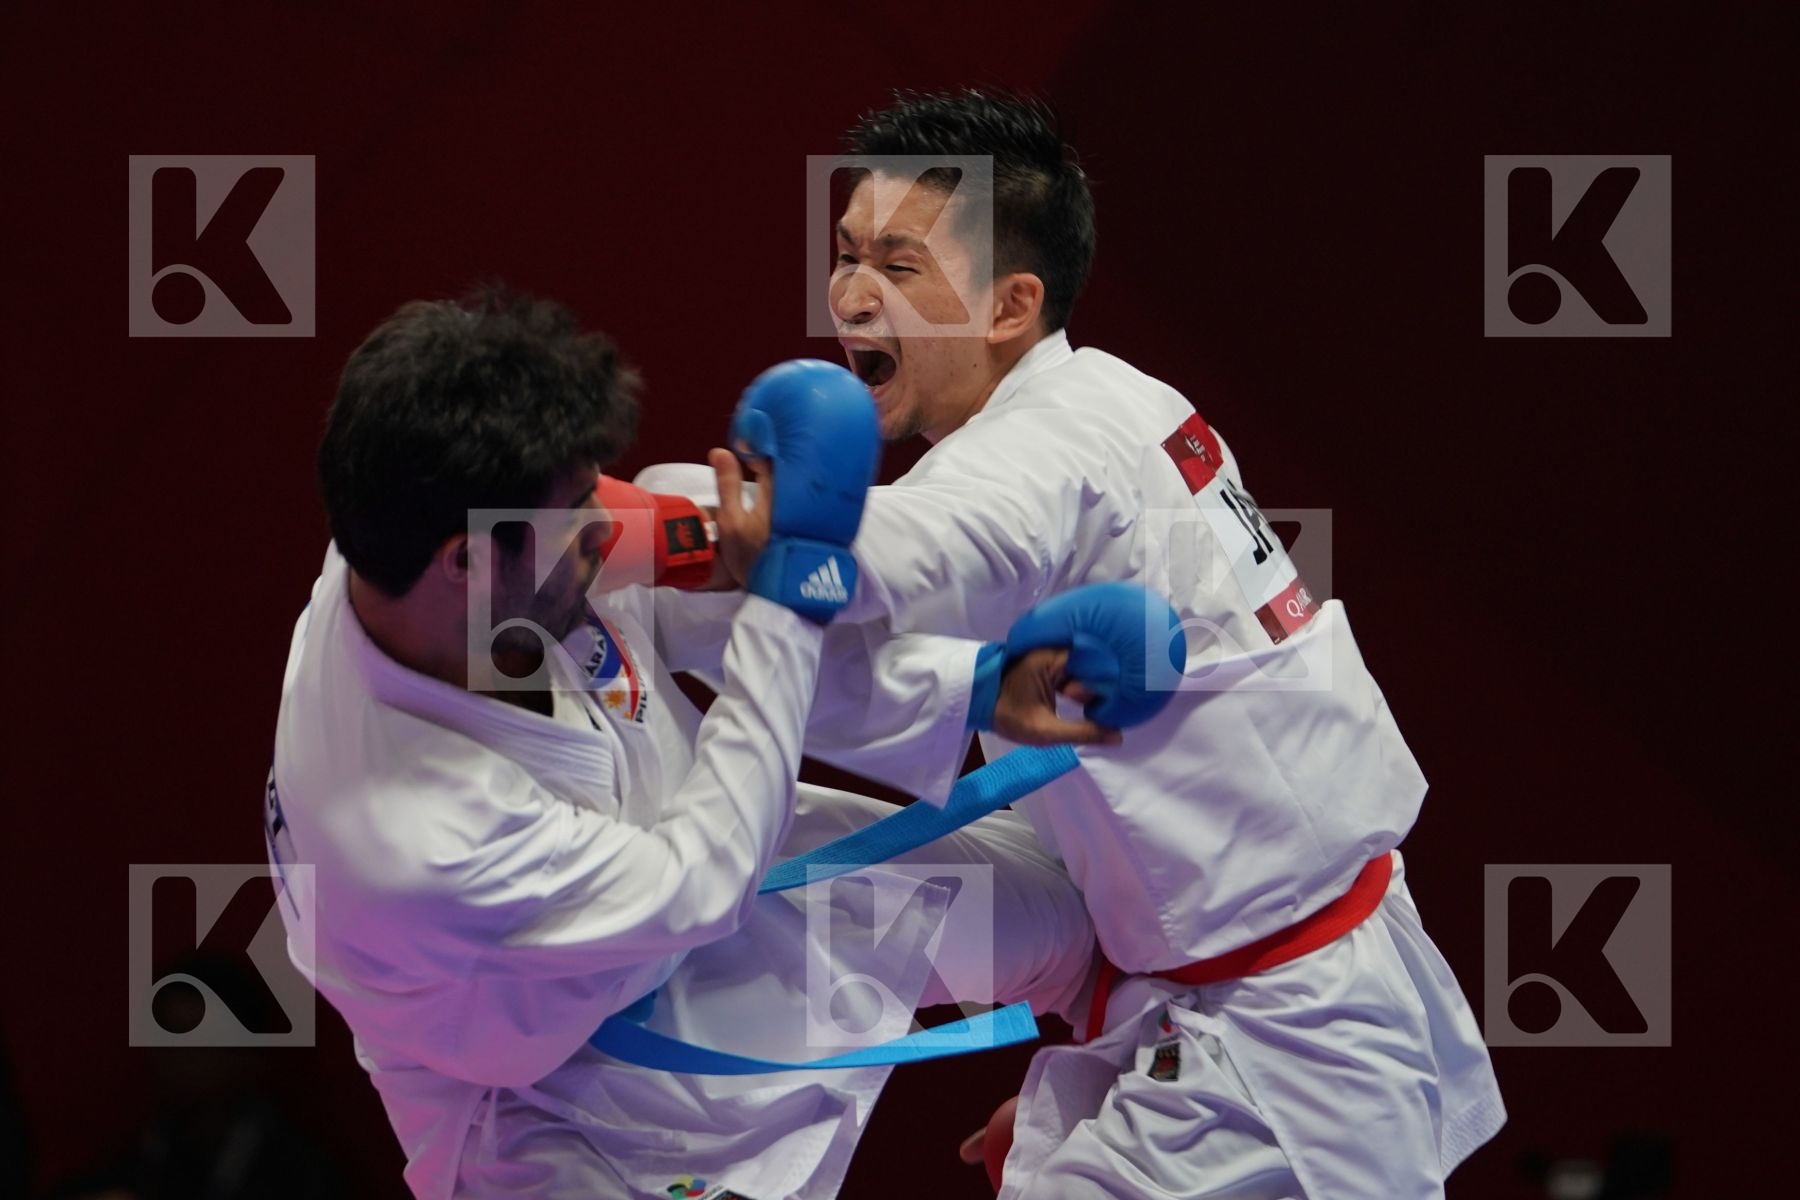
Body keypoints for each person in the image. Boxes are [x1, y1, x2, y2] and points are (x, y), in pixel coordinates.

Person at [753, 89, 1505, 1198]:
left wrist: (656, 524)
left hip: (1283, 1043)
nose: (853, 293)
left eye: (901, 266)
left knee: (780, 840)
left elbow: (868, 562)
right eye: (848, 253)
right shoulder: (1115, 398)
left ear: (1010, 304)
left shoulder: (1041, 454)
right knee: (787, 861)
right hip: (1238, 978)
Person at [268, 287, 1123, 1199]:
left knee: (1068, 927)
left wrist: (967, 685)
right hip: (555, 1106)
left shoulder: (435, 531)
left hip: (689, 866)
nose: (604, 524)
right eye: (575, 517)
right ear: (468, 563)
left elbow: (703, 587)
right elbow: (704, 875)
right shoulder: (417, 833)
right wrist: (792, 591)